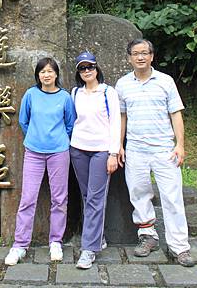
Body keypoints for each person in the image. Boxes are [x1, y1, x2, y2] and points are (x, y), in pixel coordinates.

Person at [116, 39, 194, 267]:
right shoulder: (122, 85)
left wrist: (180, 145)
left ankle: (179, 247)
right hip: (136, 149)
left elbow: (176, 114)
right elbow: (122, 116)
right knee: (139, 193)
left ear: (152, 56)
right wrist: (119, 144)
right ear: (129, 57)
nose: (140, 57)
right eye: (135, 53)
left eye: (144, 53)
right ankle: (148, 236)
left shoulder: (165, 81)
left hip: (164, 149)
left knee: (172, 197)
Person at [4, 57, 76, 266]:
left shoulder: (64, 97)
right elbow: (23, 121)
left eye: (50, 71)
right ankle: (20, 245)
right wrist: (35, 136)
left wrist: (58, 139)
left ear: (56, 74)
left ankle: (56, 241)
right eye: (42, 71)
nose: (46, 75)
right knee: (28, 198)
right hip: (34, 152)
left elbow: (70, 124)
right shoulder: (31, 94)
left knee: (59, 198)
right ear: (38, 75)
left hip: (59, 152)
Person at [70, 51, 121, 269]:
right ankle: (97, 237)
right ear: (78, 73)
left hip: (101, 151)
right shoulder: (75, 93)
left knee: (94, 198)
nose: (87, 71)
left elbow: (116, 122)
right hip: (78, 149)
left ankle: (88, 249)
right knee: (86, 195)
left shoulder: (108, 92)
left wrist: (113, 153)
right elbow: (72, 120)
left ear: (97, 68)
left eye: (90, 66)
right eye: (82, 68)